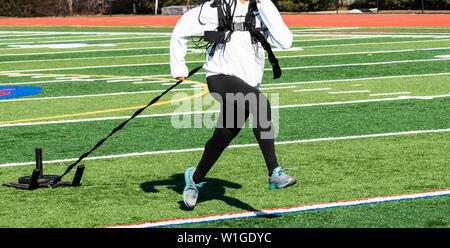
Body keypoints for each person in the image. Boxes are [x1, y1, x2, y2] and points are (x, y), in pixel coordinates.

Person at [170, 0, 296, 208]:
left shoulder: (263, 7)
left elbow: (285, 41)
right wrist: (178, 66)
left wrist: (264, 5)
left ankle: (194, 178)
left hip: (248, 84)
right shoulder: (215, 7)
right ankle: (274, 172)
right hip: (219, 77)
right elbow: (181, 27)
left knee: (223, 136)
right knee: (260, 103)